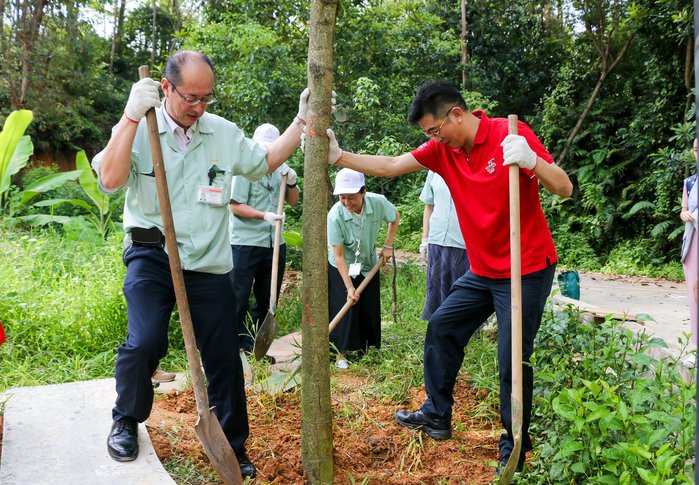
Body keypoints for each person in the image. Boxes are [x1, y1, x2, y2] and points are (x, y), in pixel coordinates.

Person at [324, 80, 573, 473]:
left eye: (435, 130)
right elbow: (391, 165)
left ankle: (514, 448)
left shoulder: (510, 134)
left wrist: (531, 161)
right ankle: (437, 413)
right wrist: (339, 157)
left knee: (512, 358)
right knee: (441, 326)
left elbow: (564, 187)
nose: (433, 139)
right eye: (429, 134)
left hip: (524, 269)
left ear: (457, 114)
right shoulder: (443, 150)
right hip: (484, 269)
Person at [92, 50, 311, 479]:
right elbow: (110, 180)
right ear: (166, 88)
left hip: (208, 263)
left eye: (206, 98)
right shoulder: (141, 126)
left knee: (224, 356)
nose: (198, 107)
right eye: (190, 97)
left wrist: (301, 122)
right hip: (152, 256)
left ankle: (232, 444)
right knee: (145, 341)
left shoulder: (222, 133)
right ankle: (126, 419)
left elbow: (265, 161)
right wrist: (130, 116)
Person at [229, 123, 299, 357]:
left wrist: (291, 183)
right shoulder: (244, 170)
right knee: (238, 296)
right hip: (245, 242)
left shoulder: (281, 170)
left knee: (267, 298)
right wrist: (263, 215)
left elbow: (293, 201)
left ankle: (254, 347)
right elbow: (235, 206)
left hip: (274, 243)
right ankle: (233, 346)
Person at [327, 168, 400, 369]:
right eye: (342, 197)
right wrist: (349, 287)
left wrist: (388, 245)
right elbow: (339, 255)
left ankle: (368, 349)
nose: (347, 202)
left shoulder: (378, 203)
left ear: (363, 192)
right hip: (342, 265)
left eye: (352, 197)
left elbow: (394, 217)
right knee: (345, 306)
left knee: (369, 304)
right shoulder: (335, 216)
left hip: (368, 263)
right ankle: (340, 354)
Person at [419, 170, 470, 320]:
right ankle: (438, 327)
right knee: (437, 290)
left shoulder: (471, 168)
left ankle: (463, 330)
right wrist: (425, 239)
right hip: (437, 239)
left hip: (463, 242)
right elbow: (429, 206)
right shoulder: (434, 170)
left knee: (463, 293)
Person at [680, 138, 698, 345]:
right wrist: (684, 214)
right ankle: (695, 345)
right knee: (695, 294)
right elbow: (684, 209)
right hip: (693, 242)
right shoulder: (690, 182)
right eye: (696, 149)